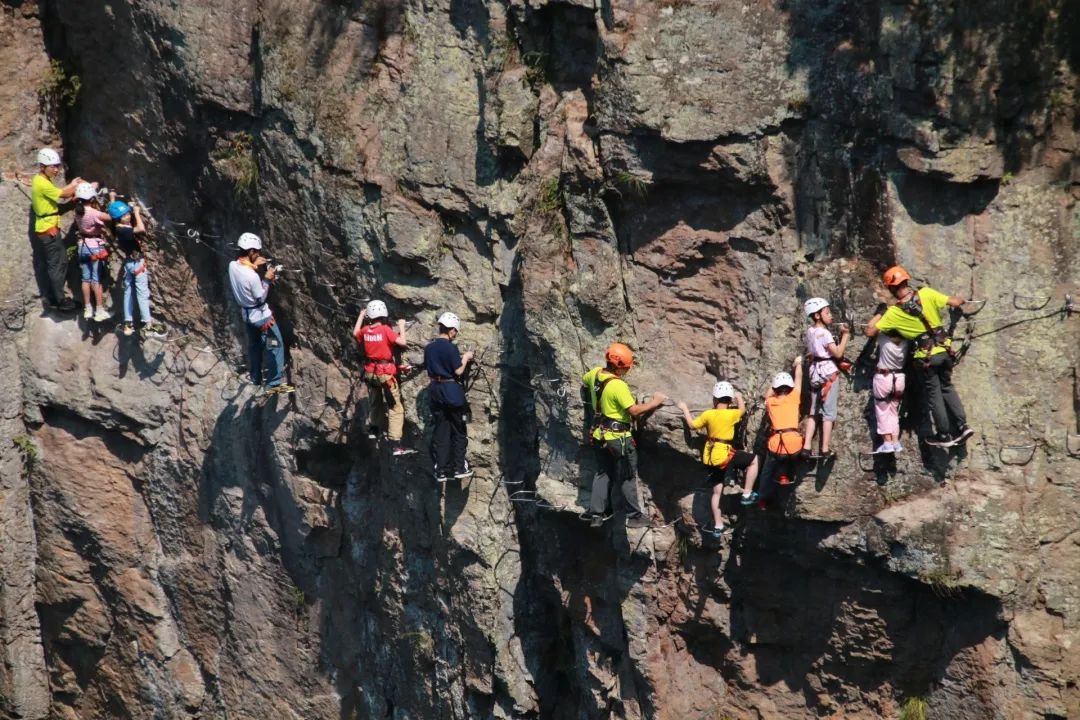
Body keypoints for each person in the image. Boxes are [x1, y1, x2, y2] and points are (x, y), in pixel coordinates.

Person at [866, 266, 974, 448]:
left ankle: (944, 434)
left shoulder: (894, 312)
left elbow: (870, 331)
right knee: (947, 387)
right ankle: (963, 425)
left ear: (892, 288)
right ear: (907, 281)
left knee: (934, 394)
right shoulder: (926, 293)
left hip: (926, 358)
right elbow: (954, 302)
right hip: (944, 352)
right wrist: (962, 299)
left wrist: (881, 313)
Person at [580, 343, 666, 529]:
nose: (627, 370)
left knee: (603, 472)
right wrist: (655, 402)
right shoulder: (618, 385)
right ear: (619, 366)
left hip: (598, 435)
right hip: (618, 438)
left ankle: (596, 514)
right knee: (626, 475)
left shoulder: (594, 373)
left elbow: (584, 381)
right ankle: (634, 516)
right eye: (626, 367)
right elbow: (634, 410)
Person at [677, 381, 760, 538]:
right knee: (754, 460)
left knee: (716, 492)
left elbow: (692, 425)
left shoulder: (708, 414)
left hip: (710, 457)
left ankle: (718, 525)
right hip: (724, 455)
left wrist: (684, 409)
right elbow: (742, 409)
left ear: (715, 400)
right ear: (729, 401)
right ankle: (747, 493)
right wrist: (740, 397)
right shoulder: (732, 414)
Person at [228, 232, 292, 395]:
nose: (258, 254)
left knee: (255, 346)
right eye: (256, 252)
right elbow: (260, 297)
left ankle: (256, 377)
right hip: (262, 319)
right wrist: (267, 279)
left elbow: (243, 268)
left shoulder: (232, 266)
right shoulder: (252, 276)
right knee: (275, 345)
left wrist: (255, 263)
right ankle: (273, 384)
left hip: (247, 317)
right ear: (250, 252)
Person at [354, 300, 414, 456]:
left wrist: (361, 315)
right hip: (385, 374)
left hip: (370, 372)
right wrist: (401, 325)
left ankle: (374, 429)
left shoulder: (366, 330)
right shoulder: (385, 329)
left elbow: (355, 333)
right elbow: (402, 342)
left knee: (375, 401)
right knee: (395, 407)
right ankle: (395, 444)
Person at [30, 148, 83, 311]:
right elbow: (63, 194)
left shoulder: (42, 180)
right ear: (42, 166)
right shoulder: (42, 183)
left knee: (56, 263)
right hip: (49, 230)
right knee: (58, 264)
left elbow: (53, 208)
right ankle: (59, 300)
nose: (56, 169)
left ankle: (54, 296)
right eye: (52, 166)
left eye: (57, 166)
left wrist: (72, 204)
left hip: (47, 227)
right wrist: (74, 185)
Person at [423, 312, 474, 481]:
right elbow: (458, 370)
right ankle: (459, 468)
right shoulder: (451, 348)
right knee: (459, 430)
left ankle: (441, 470)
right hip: (451, 391)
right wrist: (465, 358)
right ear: (451, 330)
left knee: (441, 431)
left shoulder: (429, 348)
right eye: (455, 331)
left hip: (435, 391)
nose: (455, 334)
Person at [108, 199, 167, 339]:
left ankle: (128, 322)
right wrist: (136, 213)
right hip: (137, 263)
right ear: (118, 218)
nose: (128, 217)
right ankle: (148, 325)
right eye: (125, 215)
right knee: (142, 293)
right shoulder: (124, 230)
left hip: (129, 263)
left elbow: (114, 212)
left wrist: (112, 198)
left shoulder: (116, 228)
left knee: (128, 292)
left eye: (128, 214)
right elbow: (141, 229)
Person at [801, 297, 850, 460]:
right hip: (829, 372)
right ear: (817, 315)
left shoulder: (810, 331)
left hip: (815, 372)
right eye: (827, 313)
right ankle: (825, 448)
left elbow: (813, 351)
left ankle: (806, 447)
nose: (831, 316)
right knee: (829, 413)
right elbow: (837, 353)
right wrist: (845, 336)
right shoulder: (825, 333)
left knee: (814, 411)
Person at [758, 357, 804, 504]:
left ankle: (763, 499)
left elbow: (768, 394)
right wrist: (798, 364)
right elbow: (799, 378)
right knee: (791, 456)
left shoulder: (771, 402)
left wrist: (775, 384)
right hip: (794, 445)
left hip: (776, 444)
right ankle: (786, 475)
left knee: (767, 470)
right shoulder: (794, 397)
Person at [73, 182, 111, 322]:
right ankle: (99, 310)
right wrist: (111, 200)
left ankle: (88, 307)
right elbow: (111, 217)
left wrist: (93, 190)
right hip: (95, 246)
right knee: (96, 280)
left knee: (85, 279)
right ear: (92, 198)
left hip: (82, 246)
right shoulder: (94, 213)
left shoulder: (77, 211)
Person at [871, 328, 909, 453]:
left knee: (882, 411)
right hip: (899, 378)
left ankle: (887, 442)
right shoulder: (906, 340)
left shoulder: (883, 338)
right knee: (893, 410)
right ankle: (895, 441)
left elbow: (871, 329)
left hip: (884, 377)